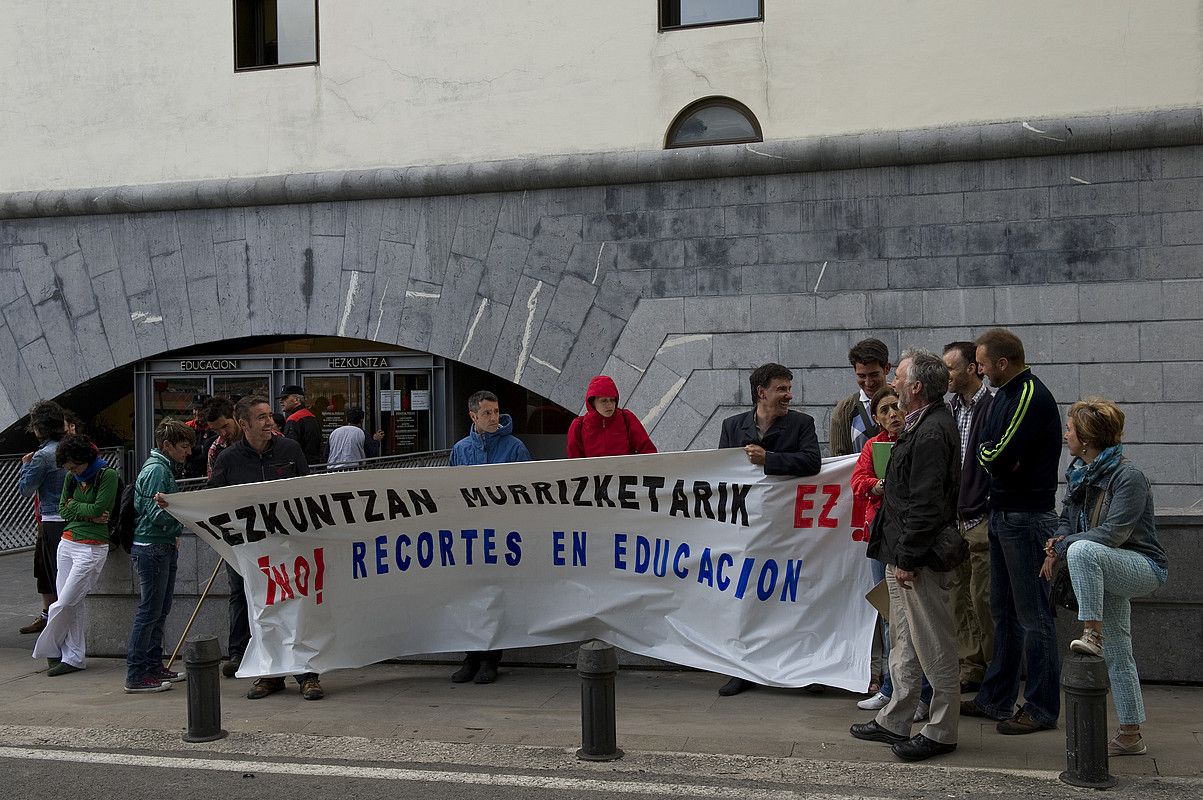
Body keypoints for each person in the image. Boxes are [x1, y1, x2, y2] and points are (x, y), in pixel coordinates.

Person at [1039, 398, 1168, 757]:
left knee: (1082, 550)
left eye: (1070, 430)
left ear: (1087, 436)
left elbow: (1114, 533)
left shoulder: (1129, 477)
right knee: (1120, 649)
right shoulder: (1080, 472)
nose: (1066, 435)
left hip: (1143, 566)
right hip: (1102, 565)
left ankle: (1090, 633)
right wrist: (1057, 542)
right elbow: (1065, 520)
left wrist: (1064, 546)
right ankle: (1131, 734)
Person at [850, 349, 960, 762]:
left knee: (932, 643)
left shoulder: (931, 432)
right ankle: (895, 717)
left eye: (898, 378)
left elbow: (926, 504)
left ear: (915, 387)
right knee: (904, 642)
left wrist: (909, 558)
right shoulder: (923, 426)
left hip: (918, 557)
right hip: (903, 552)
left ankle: (941, 729)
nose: (891, 384)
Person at [962, 328, 1062, 735]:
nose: (979, 371)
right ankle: (996, 697)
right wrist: (996, 457)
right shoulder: (1002, 395)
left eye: (983, 364)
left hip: (1025, 518)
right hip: (1002, 513)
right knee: (1003, 611)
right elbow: (992, 450)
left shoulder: (1028, 395)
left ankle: (1040, 706)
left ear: (1003, 363)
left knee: (1034, 616)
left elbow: (994, 453)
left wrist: (996, 457)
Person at [716, 363, 821, 696]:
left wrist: (769, 459)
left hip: (788, 532)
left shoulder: (802, 424)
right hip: (746, 532)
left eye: (789, 389)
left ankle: (800, 668)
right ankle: (743, 668)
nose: (789, 395)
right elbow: (721, 473)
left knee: (791, 601)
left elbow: (812, 462)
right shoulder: (732, 427)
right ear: (762, 392)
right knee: (747, 601)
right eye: (781, 389)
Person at [210, 396, 323, 701]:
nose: (269, 421)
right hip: (249, 553)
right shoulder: (228, 460)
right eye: (261, 418)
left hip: (288, 548)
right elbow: (212, 503)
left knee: (298, 606)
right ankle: (270, 674)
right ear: (244, 424)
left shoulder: (290, 450)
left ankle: (307, 674)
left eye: (270, 416)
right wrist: (176, 505)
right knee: (259, 611)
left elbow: (306, 493)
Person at [852, 387, 932, 721]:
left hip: (910, 537)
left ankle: (924, 694)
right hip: (881, 535)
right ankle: (890, 687)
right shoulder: (874, 447)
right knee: (889, 615)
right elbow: (858, 481)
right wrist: (875, 485)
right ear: (876, 417)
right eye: (884, 409)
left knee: (918, 618)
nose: (892, 414)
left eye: (897, 406)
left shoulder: (918, 440)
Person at [447, 390, 532, 684]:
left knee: (495, 595)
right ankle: (471, 654)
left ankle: (491, 658)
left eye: (496, 411)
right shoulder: (460, 449)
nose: (493, 418)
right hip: (470, 533)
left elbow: (527, 491)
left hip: (503, 533)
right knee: (469, 596)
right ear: (473, 416)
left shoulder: (515, 448)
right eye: (487, 413)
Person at [31, 435, 119, 676]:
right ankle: (74, 657)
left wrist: (76, 508)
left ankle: (51, 648)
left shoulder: (106, 475)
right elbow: (62, 509)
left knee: (65, 601)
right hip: (68, 543)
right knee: (72, 602)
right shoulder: (73, 476)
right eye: (68, 467)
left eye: (74, 465)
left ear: (84, 459)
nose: (71, 471)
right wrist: (87, 513)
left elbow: (99, 508)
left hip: (91, 546)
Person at [124, 419, 196, 694]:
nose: (188, 452)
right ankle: (137, 673)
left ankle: (151, 666)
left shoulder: (158, 467)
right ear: (167, 445)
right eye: (183, 446)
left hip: (156, 546)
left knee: (157, 610)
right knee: (150, 612)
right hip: (152, 547)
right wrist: (182, 520)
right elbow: (156, 514)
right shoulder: (157, 470)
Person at [942, 341, 995, 693]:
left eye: (951, 368)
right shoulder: (948, 409)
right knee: (958, 595)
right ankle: (970, 663)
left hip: (982, 515)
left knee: (984, 597)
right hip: (954, 517)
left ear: (973, 369)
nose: (946, 375)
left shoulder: (992, 407)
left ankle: (995, 668)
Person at [16, 402, 69, 635]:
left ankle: (57, 634)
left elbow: (26, 489)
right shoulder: (69, 448)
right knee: (67, 580)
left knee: (54, 576)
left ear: (39, 428)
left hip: (51, 520)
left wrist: (25, 466)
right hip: (73, 518)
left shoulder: (42, 456)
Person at [565, 375, 657, 458]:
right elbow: (575, 463)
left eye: (612, 400)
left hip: (626, 474)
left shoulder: (626, 418)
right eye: (604, 401)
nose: (609, 405)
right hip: (595, 475)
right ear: (592, 402)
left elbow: (647, 449)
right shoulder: (579, 426)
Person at [829, 338, 892, 457]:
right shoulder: (844, 410)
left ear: (886, 368)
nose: (868, 382)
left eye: (874, 375)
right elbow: (837, 458)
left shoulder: (903, 401)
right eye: (862, 376)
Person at [278, 384, 322, 464]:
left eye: (285, 398)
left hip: (300, 468)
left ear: (296, 400)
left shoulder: (294, 419)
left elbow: (290, 449)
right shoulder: (312, 416)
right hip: (314, 465)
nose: (281, 401)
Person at [184, 394, 217, 479]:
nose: (198, 413)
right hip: (191, 473)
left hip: (210, 472)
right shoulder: (187, 427)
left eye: (201, 409)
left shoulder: (215, 427)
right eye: (195, 409)